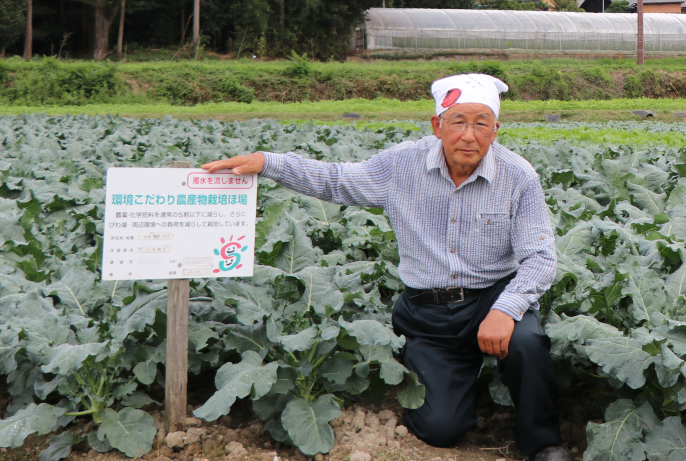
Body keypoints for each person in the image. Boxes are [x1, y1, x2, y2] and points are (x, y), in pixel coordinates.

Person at [202, 73, 570, 461]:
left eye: (481, 124)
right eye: (458, 121)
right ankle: (462, 387)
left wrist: (505, 310)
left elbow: (541, 257)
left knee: (526, 341)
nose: (469, 135)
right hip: (430, 312)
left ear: (495, 130)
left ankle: (542, 443)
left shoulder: (518, 177)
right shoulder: (402, 165)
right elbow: (337, 180)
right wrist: (269, 163)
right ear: (437, 126)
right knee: (440, 429)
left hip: (493, 297)